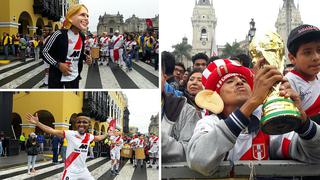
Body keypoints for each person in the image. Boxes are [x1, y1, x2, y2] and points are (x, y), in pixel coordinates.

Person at [187, 58, 320, 176]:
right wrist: (252, 103)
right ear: (217, 96)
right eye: (230, 81)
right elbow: (199, 160)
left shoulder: (267, 123)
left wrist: (303, 123)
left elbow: (315, 155)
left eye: (243, 80)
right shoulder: (209, 123)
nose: (239, 81)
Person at [26, 112, 108, 180]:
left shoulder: (89, 136)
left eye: (84, 122)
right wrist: (38, 123)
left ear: (89, 124)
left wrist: (107, 134)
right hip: (70, 171)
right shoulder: (70, 133)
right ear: (75, 124)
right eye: (79, 122)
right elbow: (52, 131)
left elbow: (98, 138)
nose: (81, 124)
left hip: (84, 171)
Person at [161, 51, 201, 163]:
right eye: (191, 79)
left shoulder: (185, 109)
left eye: (200, 80)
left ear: (164, 78)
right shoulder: (180, 100)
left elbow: (190, 150)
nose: (194, 83)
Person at [42, 4, 92, 88]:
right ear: (71, 17)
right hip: (58, 78)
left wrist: (85, 57)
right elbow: (44, 52)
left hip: (74, 77)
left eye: (87, 16)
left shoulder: (82, 36)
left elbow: (77, 53)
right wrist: (59, 64)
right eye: (82, 15)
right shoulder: (59, 34)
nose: (86, 18)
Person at [285, 24, 320, 124]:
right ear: (292, 58)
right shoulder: (288, 84)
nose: (316, 57)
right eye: (307, 52)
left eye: (319, 50)